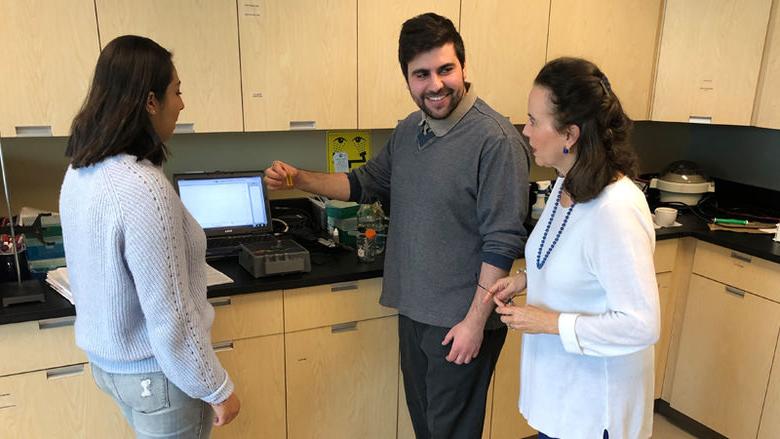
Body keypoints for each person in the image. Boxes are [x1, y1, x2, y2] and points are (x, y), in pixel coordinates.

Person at [265, 13, 529, 439]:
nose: (436, 84)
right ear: (407, 79)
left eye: (446, 69)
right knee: (426, 426)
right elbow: (364, 183)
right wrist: (300, 178)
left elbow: (502, 241)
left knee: (451, 431)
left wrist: (475, 322)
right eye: (421, 74)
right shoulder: (410, 132)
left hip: (461, 317)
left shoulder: (494, 140)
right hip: (416, 310)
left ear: (463, 65)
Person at [59, 35, 240, 438]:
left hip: (111, 368)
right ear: (150, 101)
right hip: (158, 376)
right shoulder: (143, 186)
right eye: (176, 91)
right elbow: (170, 312)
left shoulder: (81, 170)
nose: (182, 103)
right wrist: (216, 386)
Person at [487, 57, 660, 439]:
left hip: (594, 410)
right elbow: (575, 261)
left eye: (534, 121)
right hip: (561, 398)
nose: (525, 131)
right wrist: (524, 280)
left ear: (569, 135)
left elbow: (641, 324)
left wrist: (548, 322)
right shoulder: (568, 184)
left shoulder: (615, 210)